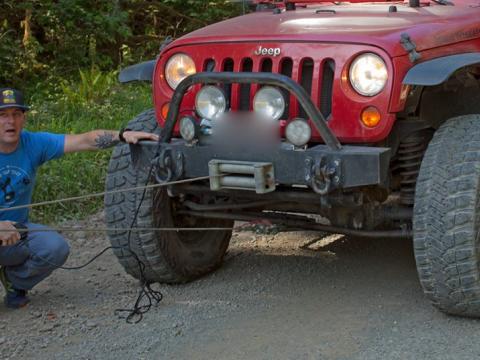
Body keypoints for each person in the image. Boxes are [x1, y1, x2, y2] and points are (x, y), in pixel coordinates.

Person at [0, 88, 159, 309]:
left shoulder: (32, 144)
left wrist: (122, 136)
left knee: (55, 248)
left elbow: (83, 141)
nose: (11, 121)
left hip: (17, 232)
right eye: (3, 115)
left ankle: (14, 281)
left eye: (16, 114)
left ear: (24, 118)